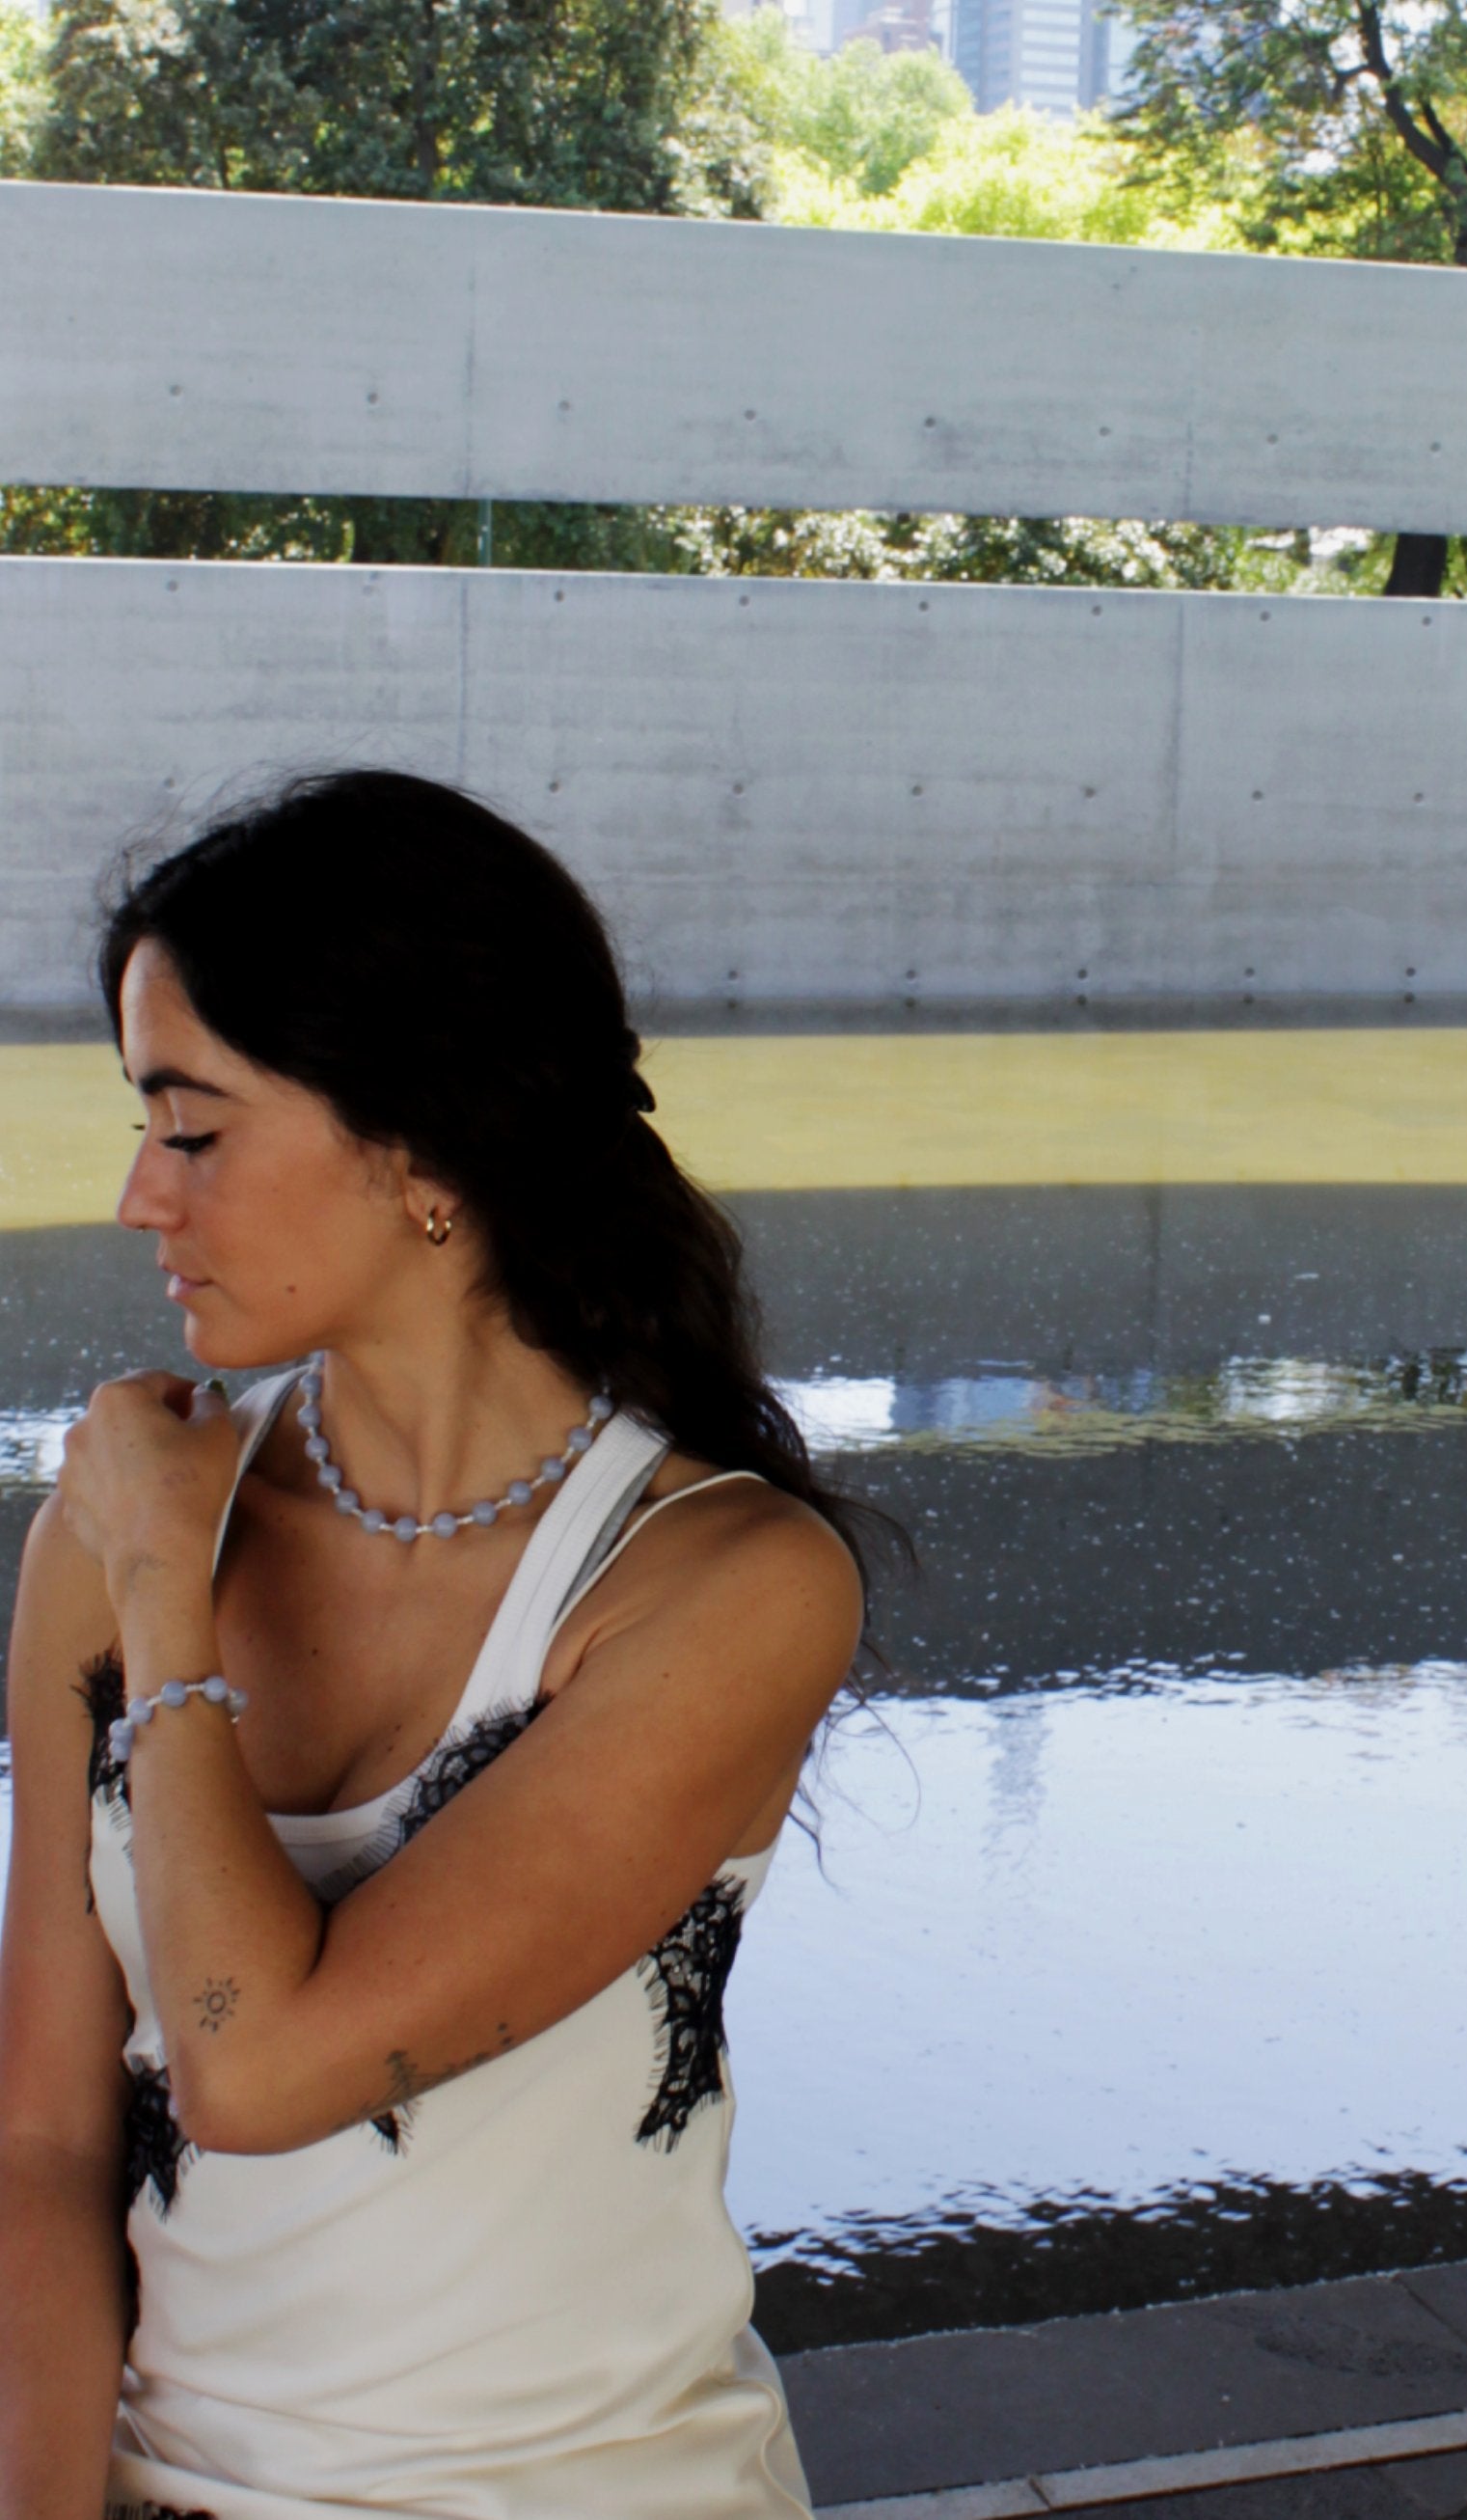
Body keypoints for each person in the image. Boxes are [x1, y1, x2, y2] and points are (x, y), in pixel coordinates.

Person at [0, 771, 874, 2520]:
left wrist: (171, 1601)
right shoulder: (112, 1529)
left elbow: (254, 2069)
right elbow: (44, 2136)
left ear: (419, 1144)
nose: (135, 1198)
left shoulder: (718, 1585)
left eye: (190, 1128)